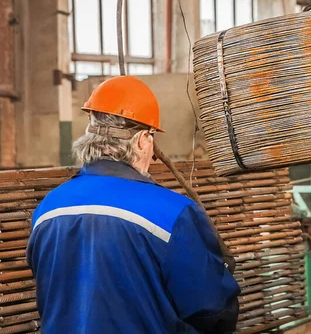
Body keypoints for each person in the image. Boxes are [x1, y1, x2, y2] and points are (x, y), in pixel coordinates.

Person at [27, 76, 240, 334]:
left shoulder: (48, 209)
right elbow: (214, 312)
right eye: (151, 138)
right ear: (141, 140)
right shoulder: (173, 213)